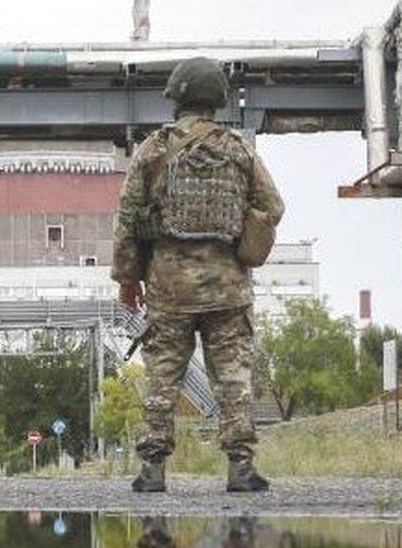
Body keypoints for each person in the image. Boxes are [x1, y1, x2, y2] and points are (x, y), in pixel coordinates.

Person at [112, 56, 284, 493]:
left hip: (168, 288)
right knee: (232, 380)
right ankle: (241, 468)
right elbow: (272, 206)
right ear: (217, 100)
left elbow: (128, 217)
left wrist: (128, 280)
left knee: (162, 379)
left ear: (177, 99)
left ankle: (153, 470)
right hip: (228, 288)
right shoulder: (238, 148)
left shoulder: (153, 149)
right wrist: (245, 242)